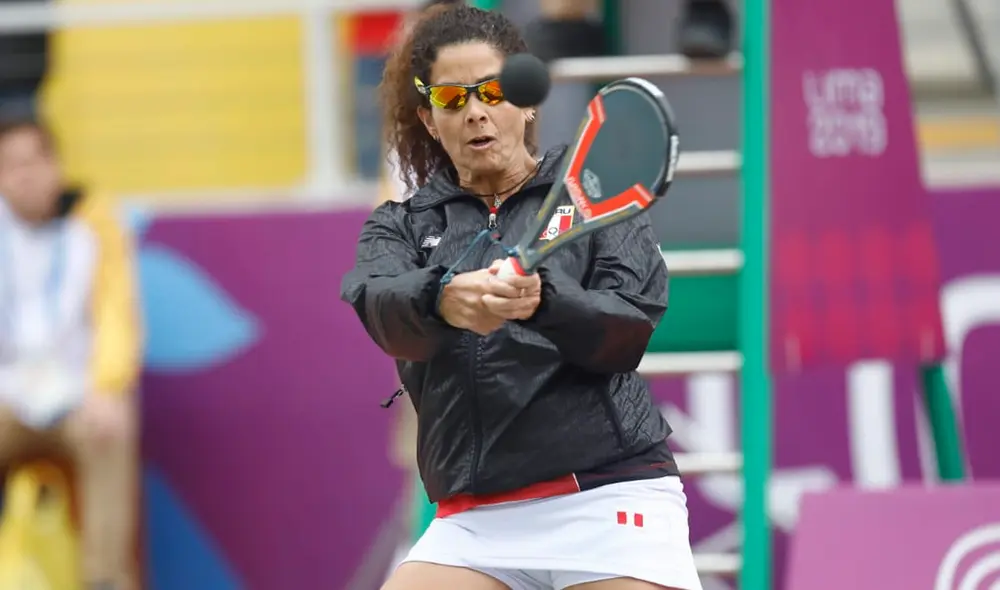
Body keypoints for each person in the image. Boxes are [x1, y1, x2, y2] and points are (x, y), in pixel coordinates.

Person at [342, 5, 702, 590]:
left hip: (607, 496)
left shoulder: (593, 193)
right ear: (430, 119)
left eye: (491, 91)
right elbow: (379, 304)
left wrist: (546, 301)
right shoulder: (399, 225)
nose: (476, 112)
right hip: (476, 519)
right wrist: (442, 298)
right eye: (453, 99)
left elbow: (627, 331)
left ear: (527, 101)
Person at [0, 118, 143, 590]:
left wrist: (105, 388)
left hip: (76, 393)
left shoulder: (94, 227)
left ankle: (105, 580)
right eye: (11, 165)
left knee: (112, 425)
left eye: (34, 161)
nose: (25, 175)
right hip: (7, 394)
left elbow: (117, 320)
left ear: (56, 165)